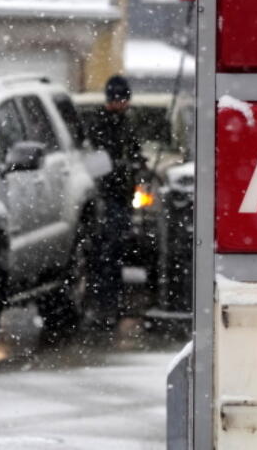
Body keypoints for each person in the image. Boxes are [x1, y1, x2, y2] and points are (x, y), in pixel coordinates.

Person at [86, 74, 143, 331]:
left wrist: (137, 166)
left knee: (116, 253)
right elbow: (99, 162)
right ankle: (103, 305)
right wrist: (120, 169)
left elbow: (133, 153)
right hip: (106, 199)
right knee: (105, 255)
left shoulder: (126, 124)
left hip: (121, 198)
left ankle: (111, 304)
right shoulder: (101, 123)